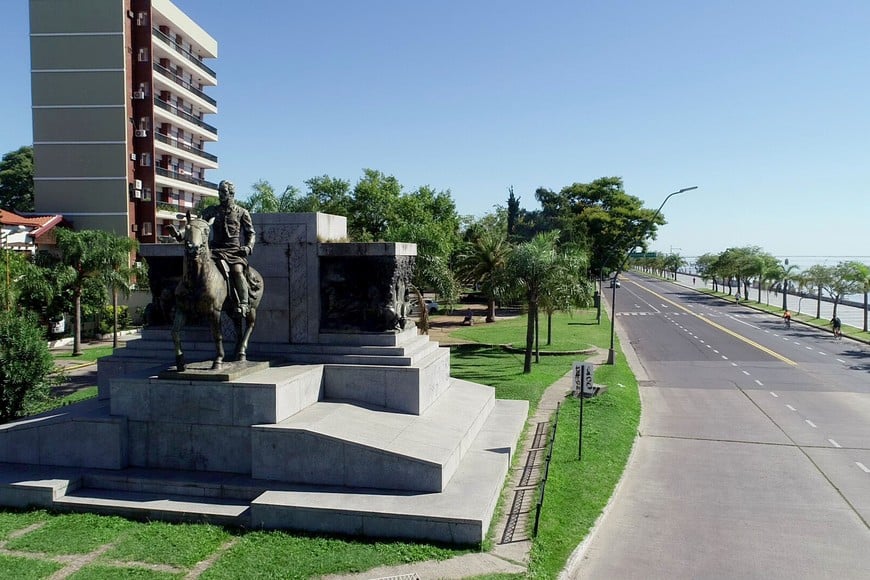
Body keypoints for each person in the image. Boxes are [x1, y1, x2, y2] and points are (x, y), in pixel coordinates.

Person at [200, 180, 256, 315]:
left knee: (237, 271)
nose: (220, 194)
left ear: (231, 194)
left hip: (234, 252)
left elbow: (251, 233)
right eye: (219, 191)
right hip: (215, 250)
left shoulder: (242, 212)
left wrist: (248, 247)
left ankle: (243, 303)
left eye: (223, 192)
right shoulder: (212, 211)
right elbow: (199, 223)